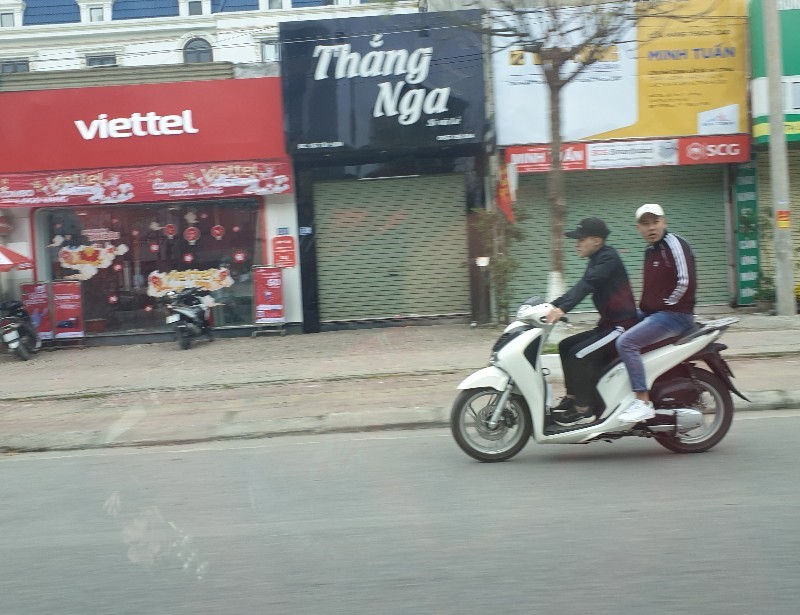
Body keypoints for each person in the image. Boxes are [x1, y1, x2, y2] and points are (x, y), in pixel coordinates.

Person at [545, 217, 638, 426]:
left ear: (596, 241)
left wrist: (561, 309)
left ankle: (584, 410)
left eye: (581, 239)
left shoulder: (608, 258)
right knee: (565, 345)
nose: (576, 243)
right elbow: (581, 285)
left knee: (579, 355)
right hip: (607, 326)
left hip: (621, 327)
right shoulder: (596, 260)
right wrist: (550, 306)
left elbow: (587, 284)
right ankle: (572, 398)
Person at [615, 203, 697, 423]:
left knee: (627, 343)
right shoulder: (650, 251)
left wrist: (665, 306)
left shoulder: (674, 244)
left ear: (664, 222)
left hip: (675, 315)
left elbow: (685, 281)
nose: (651, 227)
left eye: (655, 222)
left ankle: (642, 402)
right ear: (638, 228)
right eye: (645, 223)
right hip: (655, 313)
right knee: (616, 327)